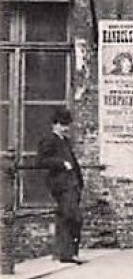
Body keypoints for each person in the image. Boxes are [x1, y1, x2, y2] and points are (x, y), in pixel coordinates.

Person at [37, 107, 84, 264]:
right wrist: (61, 163)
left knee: (72, 217)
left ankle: (69, 252)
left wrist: (79, 180)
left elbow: (73, 162)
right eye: (62, 125)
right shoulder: (49, 140)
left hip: (72, 184)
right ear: (54, 125)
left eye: (67, 125)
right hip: (61, 184)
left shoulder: (65, 141)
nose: (65, 128)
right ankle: (66, 253)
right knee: (70, 216)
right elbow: (41, 161)